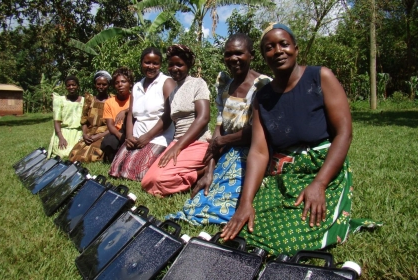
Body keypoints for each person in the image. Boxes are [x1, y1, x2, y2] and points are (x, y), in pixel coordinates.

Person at [220, 23, 359, 256]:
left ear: (296, 47)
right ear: (264, 56)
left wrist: (319, 184)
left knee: (288, 242)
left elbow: (344, 133)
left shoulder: (320, 77)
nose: (278, 51)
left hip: (321, 169)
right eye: (269, 48)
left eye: (284, 44)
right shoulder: (262, 97)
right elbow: (259, 152)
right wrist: (245, 203)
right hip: (284, 173)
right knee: (248, 230)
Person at [167, 34, 272, 225]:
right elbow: (218, 128)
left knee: (229, 201)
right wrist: (210, 169)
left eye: (239, 53)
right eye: (228, 54)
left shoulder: (262, 85)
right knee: (201, 197)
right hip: (228, 151)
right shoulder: (226, 85)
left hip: (253, 152)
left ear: (252, 55)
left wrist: (223, 141)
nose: (233, 59)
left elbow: (259, 132)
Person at [141, 44, 211, 197]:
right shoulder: (173, 92)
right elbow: (166, 118)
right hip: (177, 142)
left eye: (179, 64)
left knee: (161, 181)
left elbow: (204, 117)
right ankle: (186, 172)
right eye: (171, 64)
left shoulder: (197, 84)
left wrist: (177, 146)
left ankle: (200, 172)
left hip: (198, 142)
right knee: (147, 181)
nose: (174, 68)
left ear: (188, 65)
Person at [109, 47, 176, 181]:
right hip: (136, 137)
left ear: (160, 65)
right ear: (141, 63)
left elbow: (169, 115)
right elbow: (131, 115)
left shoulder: (166, 82)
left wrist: (148, 137)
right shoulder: (137, 86)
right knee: (116, 169)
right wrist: (129, 136)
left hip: (158, 137)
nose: (151, 66)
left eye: (155, 63)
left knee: (137, 172)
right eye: (147, 62)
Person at [69, 70, 112, 162]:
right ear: (95, 84)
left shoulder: (112, 100)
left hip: (104, 133)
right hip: (90, 133)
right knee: (74, 155)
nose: (101, 87)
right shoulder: (90, 100)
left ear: (108, 85)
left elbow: (115, 125)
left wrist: (99, 136)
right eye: (98, 84)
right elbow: (84, 120)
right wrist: (85, 135)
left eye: (104, 84)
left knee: (92, 156)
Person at [100, 67, 133, 163]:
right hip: (117, 132)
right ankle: (113, 157)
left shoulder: (135, 98)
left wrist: (125, 111)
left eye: (123, 82)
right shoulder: (109, 102)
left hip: (131, 131)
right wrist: (120, 136)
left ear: (130, 84)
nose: (120, 85)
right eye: (117, 83)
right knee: (107, 143)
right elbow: (110, 125)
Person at [48, 75, 84, 158]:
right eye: (68, 85)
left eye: (74, 85)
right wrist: (61, 137)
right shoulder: (60, 101)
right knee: (62, 154)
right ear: (66, 87)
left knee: (76, 153)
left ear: (78, 86)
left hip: (78, 132)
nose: (71, 87)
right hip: (64, 132)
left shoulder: (84, 101)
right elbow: (57, 121)